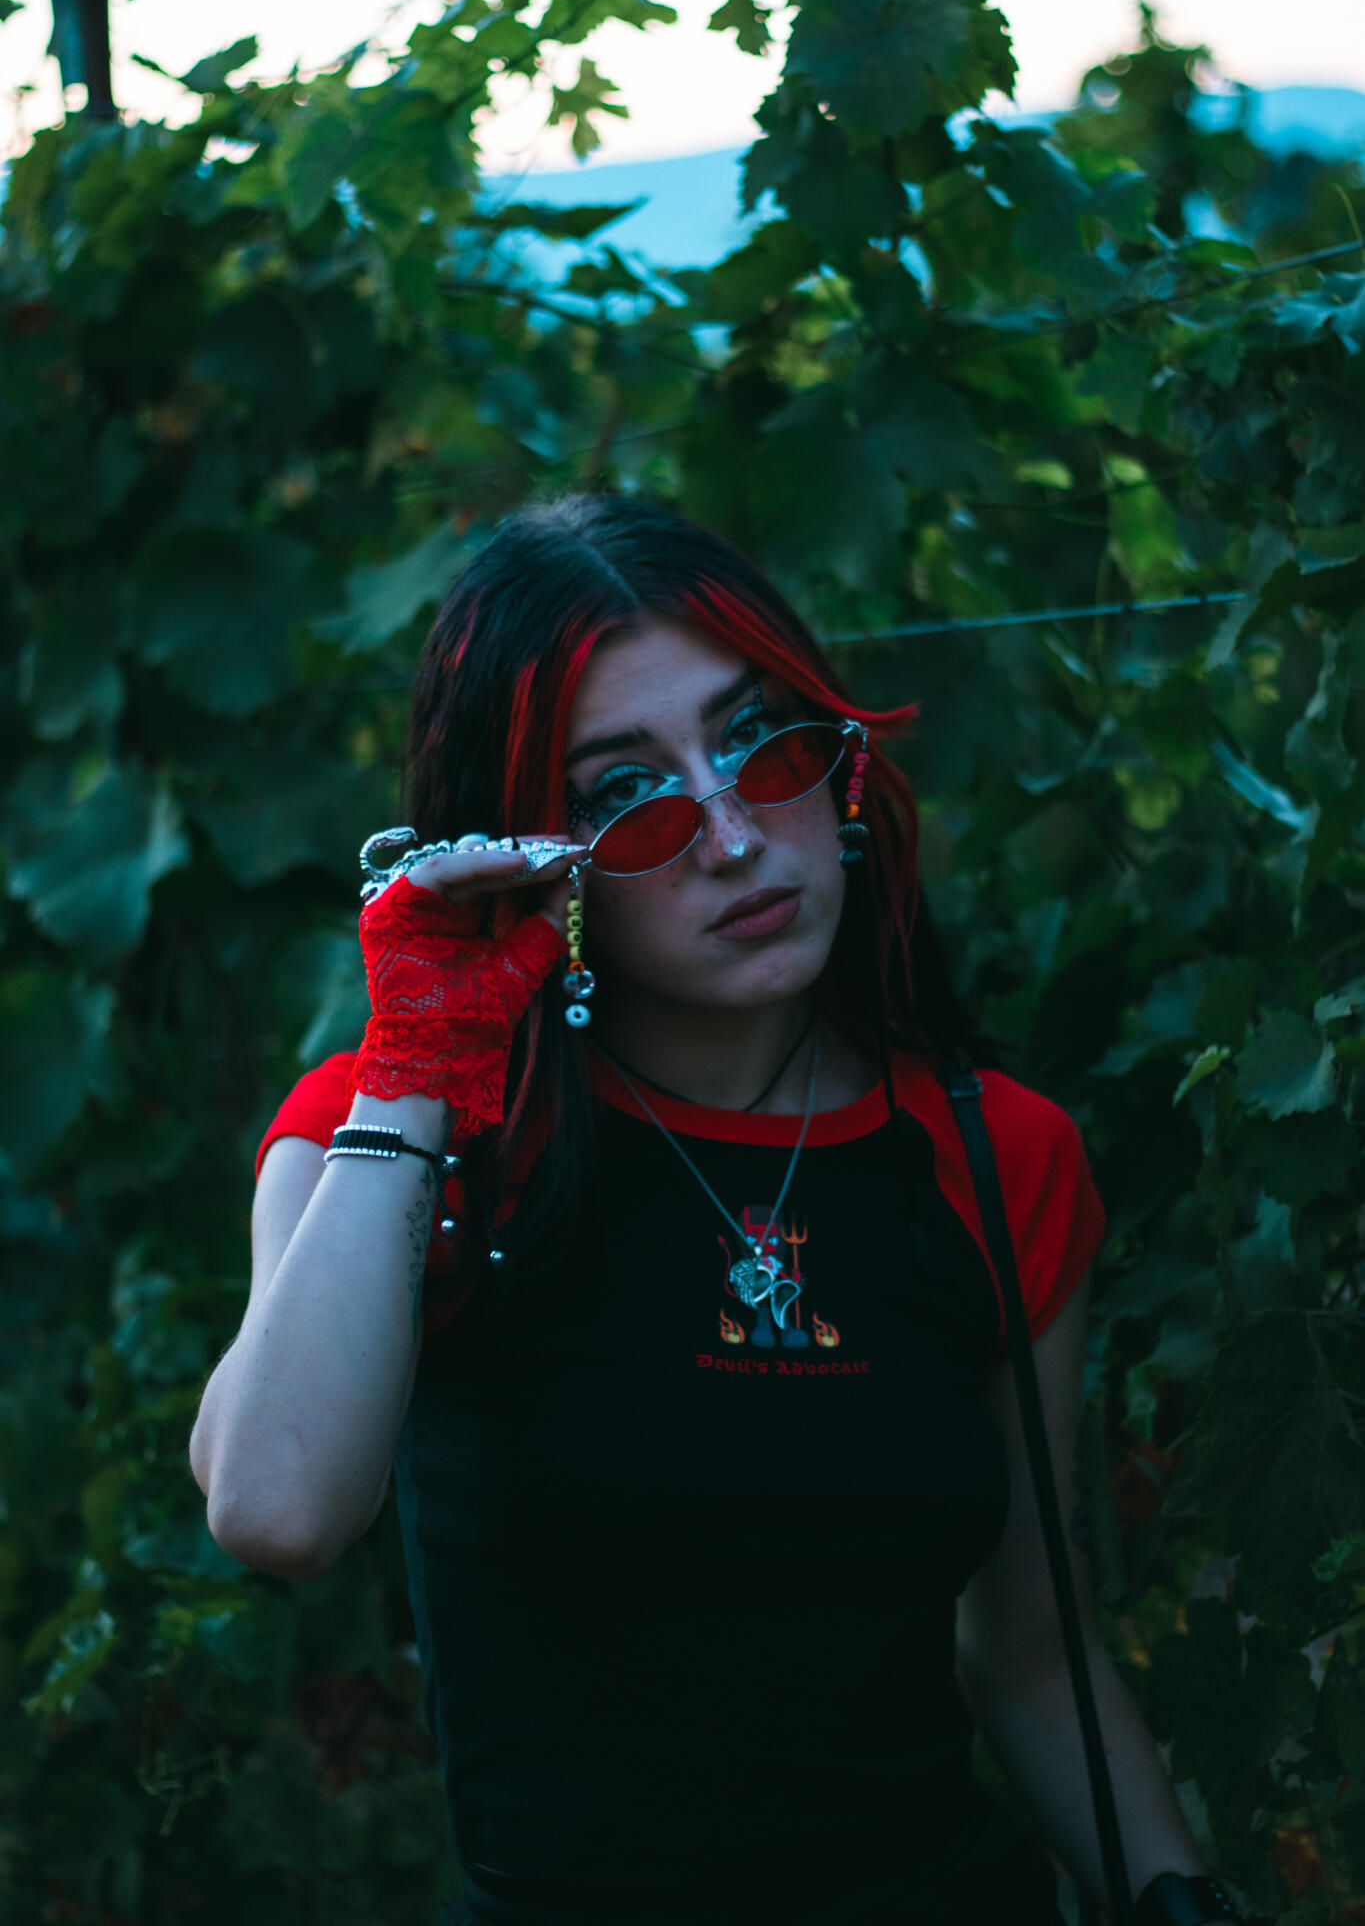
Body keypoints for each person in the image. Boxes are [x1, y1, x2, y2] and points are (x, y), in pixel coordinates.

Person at [190, 495, 1246, 1926]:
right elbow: (276, 1508)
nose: (736, 837)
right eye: (623, 795)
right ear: (527, 849)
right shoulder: (409, 1139)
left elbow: (1030, 1654)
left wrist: (1175, 1899)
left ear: (843, 764)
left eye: (759, 740)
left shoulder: (999, 1157)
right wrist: (418, 1069)